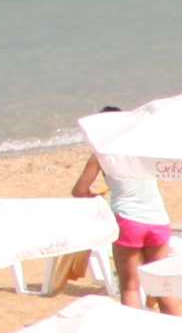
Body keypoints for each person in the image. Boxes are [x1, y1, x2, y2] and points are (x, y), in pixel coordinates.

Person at [71, 106, 171, 310]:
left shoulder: (101, 154)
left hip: (128, 220)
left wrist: (93, 195)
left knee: (130, 287)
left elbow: (79, 190)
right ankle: (177, 325)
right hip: (158, 219)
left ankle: (132, 328)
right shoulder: (145, 148)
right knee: (162, 288)